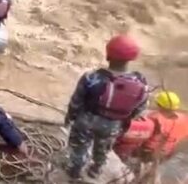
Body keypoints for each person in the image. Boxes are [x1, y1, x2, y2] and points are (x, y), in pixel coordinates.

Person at [65, 34, 149, 180]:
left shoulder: (91, 77)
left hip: (87, 120)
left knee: (79, 146)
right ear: (132, 58)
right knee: (103, 148)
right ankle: (96, 169)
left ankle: (75, 170)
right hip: (114, 124)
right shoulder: (141, 82)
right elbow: (140, 108)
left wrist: (70, 116)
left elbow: (76, 101)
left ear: (108, 55)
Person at [140, 91, 188, 161]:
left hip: (148, 152)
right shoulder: (184, 119)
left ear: (159, 105)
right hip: (167, 153)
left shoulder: (154, 117)